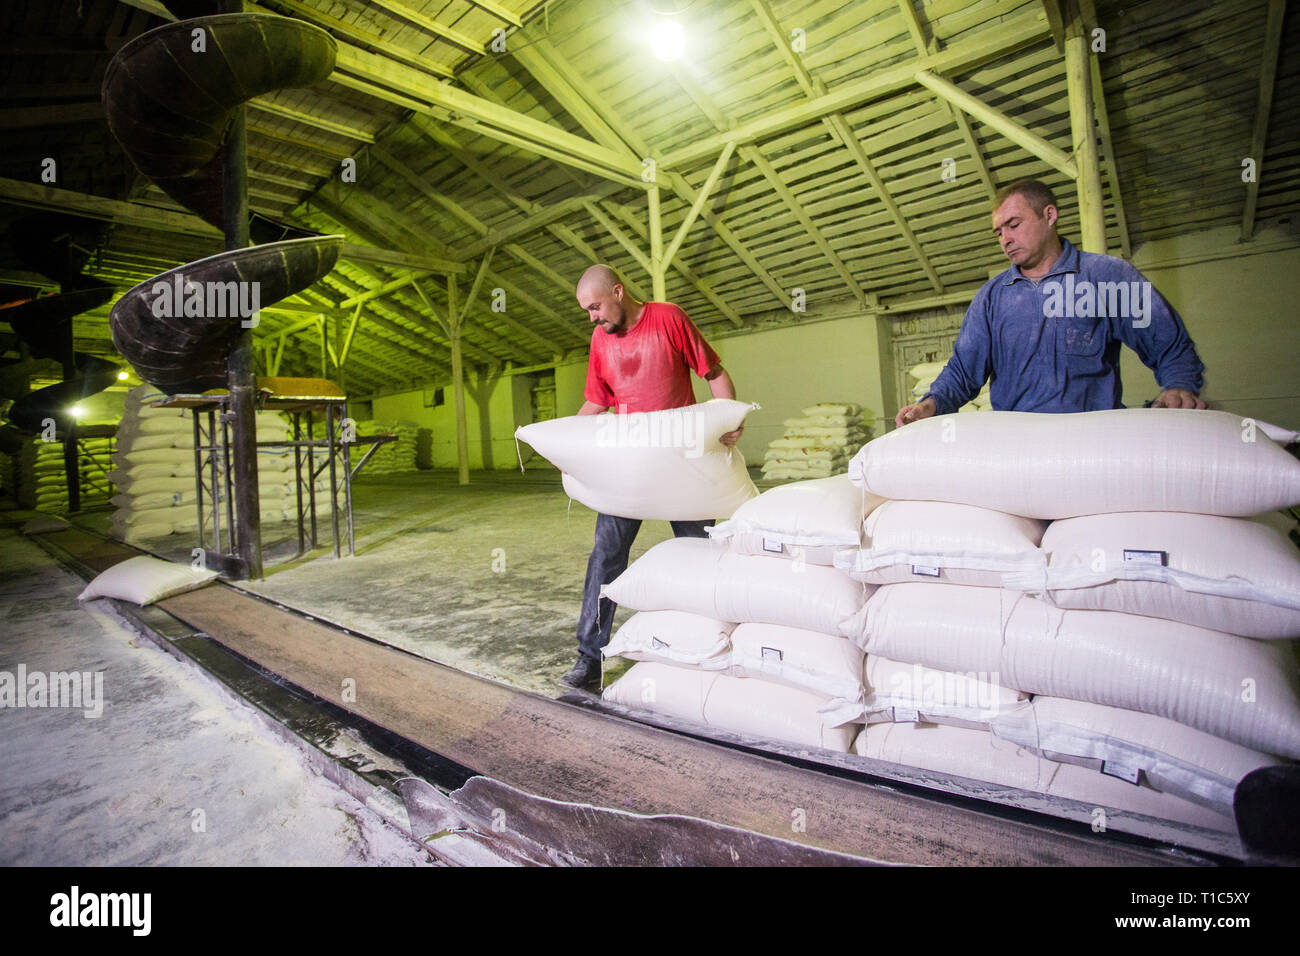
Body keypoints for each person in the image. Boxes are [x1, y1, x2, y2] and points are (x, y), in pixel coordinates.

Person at [561, 264, 742, 690]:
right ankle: (590, 657)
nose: (592, 317)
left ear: (618, 292)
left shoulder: (669, 318)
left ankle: (704, 645)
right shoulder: (599, 340)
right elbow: (595, 403)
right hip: (629, 465)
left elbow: (714, 373)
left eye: (596, 307)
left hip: (682, 461)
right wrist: (566, 443)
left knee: (699, 553)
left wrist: (730, 418)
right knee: (606, 555)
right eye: (587, 311)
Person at [895, 179, 1206, 427]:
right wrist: (930, 404)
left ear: (1050, 215)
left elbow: (1169, 343)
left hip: (1093, 438)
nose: (1005, 238)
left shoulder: (1106, 276)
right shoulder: (992, 297)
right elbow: (963, 371)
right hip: (1018, 444)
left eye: (1014, 225)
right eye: (999, 231)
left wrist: (1179, 385)